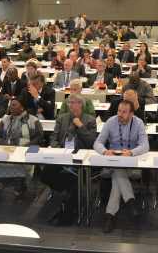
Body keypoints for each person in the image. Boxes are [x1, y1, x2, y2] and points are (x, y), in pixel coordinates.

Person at [94, 100, 149, 233]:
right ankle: (130, 202)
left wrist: (131, 152)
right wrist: (105, 151)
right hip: (112, 162)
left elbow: (145, 145)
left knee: (117, 175)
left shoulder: (138, 123)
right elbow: (97, 143)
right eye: (119, 111)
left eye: (124, 112)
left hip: (130, 163)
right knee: (117, 169)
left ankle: (110, 215)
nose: (120, 114)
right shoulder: (111, 122)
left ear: (131, 114)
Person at [41, 94, 97, 225]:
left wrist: (80, 126)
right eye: (69, 103)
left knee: (74, 178)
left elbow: (91, 142)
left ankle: (68, 211)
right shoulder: (62, 118)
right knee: (45, 174)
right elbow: (53, 138)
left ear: (81, 104)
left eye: (73, 102)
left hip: (80, 157)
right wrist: (58, 150)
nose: (70, 105)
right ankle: (70, 193)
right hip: (62, 155)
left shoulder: (90, 120)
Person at [0, 98, 43, 199]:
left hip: (25, 151)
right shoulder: (5, 119)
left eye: (14, 105)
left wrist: (24, 148)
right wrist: (5, 144)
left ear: (22, 107)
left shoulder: (33, 120)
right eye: (10, 105)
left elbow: (39, 138)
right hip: (7, 150)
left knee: (21, 164)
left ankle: (19, 185)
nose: (11, 107)